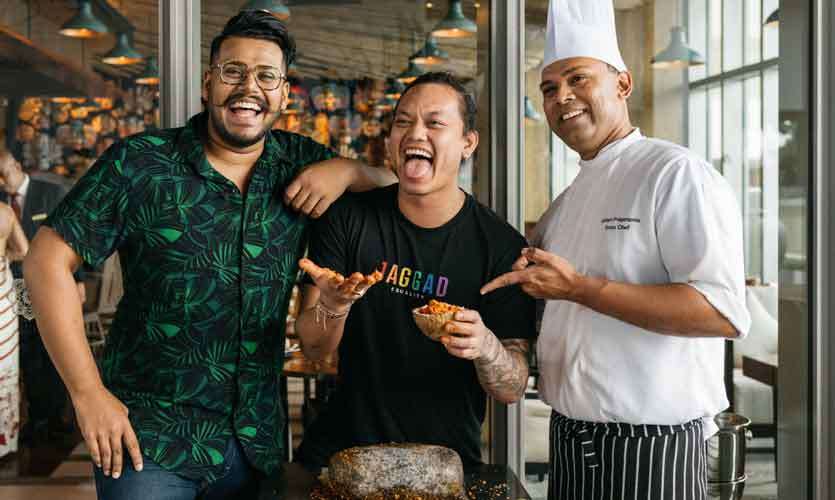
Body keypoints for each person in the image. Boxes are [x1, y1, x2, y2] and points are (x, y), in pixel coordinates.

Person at [23, 10, 394, 500]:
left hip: (253, 442)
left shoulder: (301, 161)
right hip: (148, 439)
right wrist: (87, 393)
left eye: (267, 76)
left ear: (285, 94)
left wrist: (348, 170)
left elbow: (398, 187)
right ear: (208, 83)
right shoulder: (141, 163)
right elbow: (45, 260)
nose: (249, 88)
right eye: (233, 71)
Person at [481, 1, 751, 498]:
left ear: (623, 84)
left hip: (654, 444)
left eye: (578, 78)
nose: (562, 97)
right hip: (570, 436)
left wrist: (578, 288)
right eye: (549, 88)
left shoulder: (674, 173)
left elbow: (722, 312)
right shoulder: (565, 203)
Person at [293, 72, 536, 471]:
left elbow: (511, 388)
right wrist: (333, 307)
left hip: (441, 465)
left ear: (467, 143)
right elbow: (314, 348)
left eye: (435, 123)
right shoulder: (349, 219)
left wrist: (487, 347)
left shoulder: (500, 246)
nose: (415, 133)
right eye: (403, 122)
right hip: (343, 456)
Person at [0, 150, 85, 445]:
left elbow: (70, 238)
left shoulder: (49, 193)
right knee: (27, 351)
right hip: (13, 287)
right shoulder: (2, 202)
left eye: (5, 174)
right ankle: (36, 419)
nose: (3, 182)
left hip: (49, 282)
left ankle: (58, 418)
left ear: (17, 166)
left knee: (53, 347)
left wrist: (78, 280)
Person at [0, 200, 27, 458]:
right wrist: (6, 256)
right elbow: (25, 250)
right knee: (6, 365)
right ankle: (5, 440)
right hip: (3, 292)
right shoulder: (6, 212)